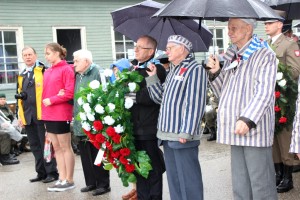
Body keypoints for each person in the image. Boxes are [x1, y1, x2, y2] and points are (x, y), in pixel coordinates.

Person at [206, 18, 278, 199]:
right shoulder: (233, 53)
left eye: (233, 28)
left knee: (260, 185)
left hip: (254, 128)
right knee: (240, 183)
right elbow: (224, 90)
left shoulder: (264, 54)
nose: (229, 32)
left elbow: (265, 92)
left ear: (248, 29)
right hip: (235, 127)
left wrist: (247, 119)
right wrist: (215, 73)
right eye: (229, 28)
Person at [146, 35, 206, 200]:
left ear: (182, 49)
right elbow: (160, 98)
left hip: (182, 135)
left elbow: (195, 103)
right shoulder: (173, 70)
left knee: (188, 180)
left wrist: (187, 131)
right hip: (167, 135)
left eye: (170, 47)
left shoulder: (195, 69)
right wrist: (152, 78)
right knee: (175, 181)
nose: (167, 51)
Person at [121, 35, 166, 200]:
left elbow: (150, 97)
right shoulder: (132, 69)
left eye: (140, 47)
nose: (136, 49)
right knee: (139, 167)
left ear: (151, 51)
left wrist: (131, 96)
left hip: (149, 126)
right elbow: (123, 91)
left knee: (152, 167)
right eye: (135, 46)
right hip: (133, 126)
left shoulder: (156, 69)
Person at [265, 11, 300, 193]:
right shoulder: (265, 45)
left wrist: (276, 71)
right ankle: (278, 173)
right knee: (272, 137)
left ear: (279, 24)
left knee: (284, 138)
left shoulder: (289, 44)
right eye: (265, 23)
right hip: (268, 98)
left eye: (269, 23)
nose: (266, 26)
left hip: (284, 99)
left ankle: (288, 176)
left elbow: (294, 71)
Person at [17, 46, 58, 183]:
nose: (28, 57)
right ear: (22, 58)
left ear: (35, 55)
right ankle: (41, 172)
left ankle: (51, 172)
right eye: (25, 55)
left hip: (42, 114)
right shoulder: (22, 74)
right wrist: (20, 116)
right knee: (34, 145)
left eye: (30, 54)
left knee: (45, 145)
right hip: (28, 115)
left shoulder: (43, 70)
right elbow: (20, 98)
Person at [72, 49, 110, 196]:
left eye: (76, 61)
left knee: (97, 153)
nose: (74, 63)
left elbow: (105, 94)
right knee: (85, 154)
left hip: (95, 122)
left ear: (86, 62)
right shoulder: (79, 75)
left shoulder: (97, 72)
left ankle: (103, 184)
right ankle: (91, 183)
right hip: (80, 121)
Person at [42, 43, 75, 192]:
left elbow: (69, 93)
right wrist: (43, 114)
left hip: (61, 113)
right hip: (48, 114)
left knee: (65, 147)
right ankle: (61, 178)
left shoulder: (67, 69)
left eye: (48, 53)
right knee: (56, 148)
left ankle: (70, 179)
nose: (46, 56)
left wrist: (53, 99)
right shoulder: (47, 72)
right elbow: (44, 95)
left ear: (57, 53)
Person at [0, 93, 20, 165]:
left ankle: (12, 151)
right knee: (6, 134)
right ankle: (4, 157)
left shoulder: (6, 107)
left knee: (16, 129)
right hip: (3, 126)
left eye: (4, 99)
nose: (2, 101)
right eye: (1, 99)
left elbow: (11, 116)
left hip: (7, 124)